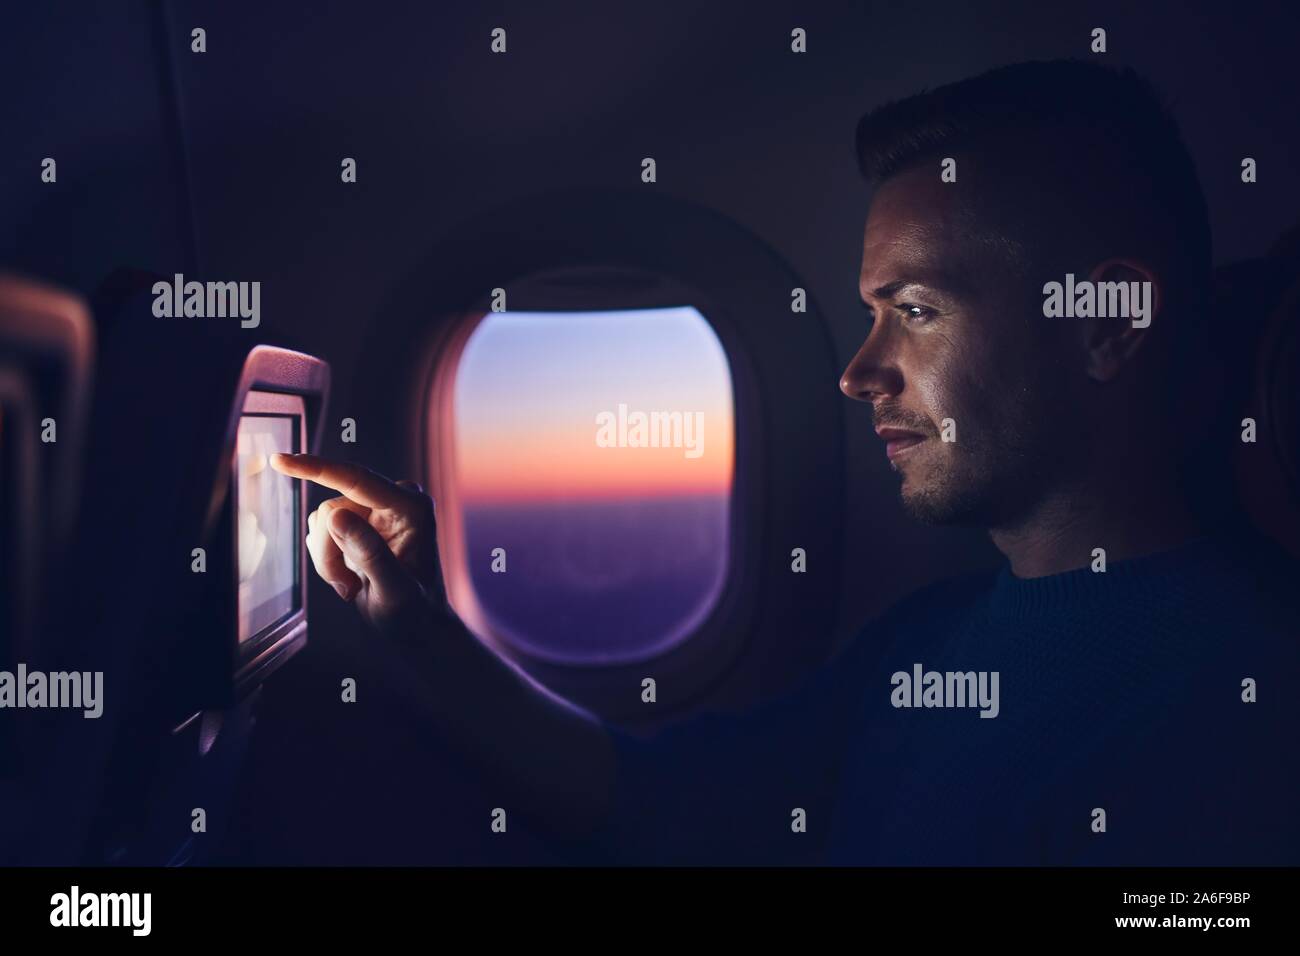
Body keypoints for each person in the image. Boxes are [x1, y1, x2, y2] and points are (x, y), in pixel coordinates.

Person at [271, 59, 1300, 865]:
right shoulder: (926, 639)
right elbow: (659, 804)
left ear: (1108, 322)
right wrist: (415, 622)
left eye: (917, 312)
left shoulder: (1230, 714)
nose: (858, 373)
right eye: (870, 314)